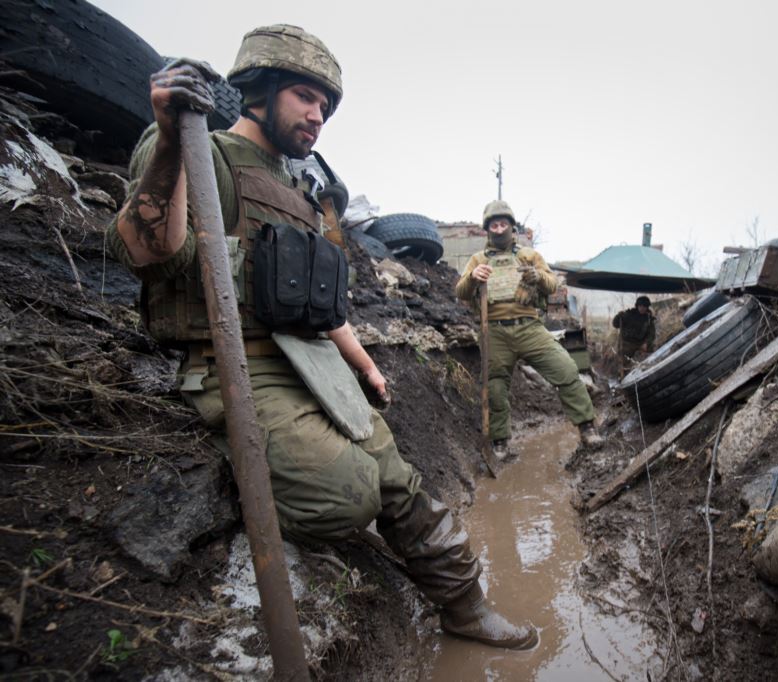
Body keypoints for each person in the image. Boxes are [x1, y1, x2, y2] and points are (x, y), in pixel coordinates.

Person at [105, 24, 537, 650]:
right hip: (238, 365)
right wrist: (172, 139)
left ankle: (465, 606)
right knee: (352, 493)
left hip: (313, 364)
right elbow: (147, 251)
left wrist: (365, 366)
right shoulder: (201, 151)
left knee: (400, 480)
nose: (317, 116)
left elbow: (320, 306)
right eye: (306, 97)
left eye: (326, 107)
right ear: (260, 88)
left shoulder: (303, 195)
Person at [455, 200, 605, 459]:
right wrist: (472, 278)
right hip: (495, 332)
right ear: (487, 229)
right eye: (494, 224)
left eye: (503, 224)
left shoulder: (529, 256)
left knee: (566, 369)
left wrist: (537, 277)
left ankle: (587, 427)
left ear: (512, 228)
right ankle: (500, 442)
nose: (499, 228)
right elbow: (460, 292)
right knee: (496, 388)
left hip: (529, 328)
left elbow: (551, 284)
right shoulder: (477, 260)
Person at [612, 296, 656, 370]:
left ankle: (647, 368)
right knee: (623, 360)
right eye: (640, 306)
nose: (642, 308)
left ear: (647, 307)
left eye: (644, 306)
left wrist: (646, 343)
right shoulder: (629, 314)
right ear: (637, 306)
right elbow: (615, 324)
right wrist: (618, 317)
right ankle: (623, 373)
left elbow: (651, 334)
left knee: (651, 351)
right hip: (627, 343)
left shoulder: (648, 318)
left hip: (640, 342)